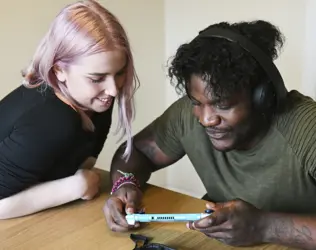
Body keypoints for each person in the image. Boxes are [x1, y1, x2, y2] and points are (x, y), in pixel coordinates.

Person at [104, 19, 316, 250]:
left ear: (262, 97)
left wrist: (264, 226)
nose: (207, 119)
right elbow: (137, 152)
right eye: (197, 102)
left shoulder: (308, 128)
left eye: (223, 105)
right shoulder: (188, 114)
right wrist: (126, 186)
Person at [0, 0, 138, 219]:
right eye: (97, 78)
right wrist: (75, 187)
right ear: (59, 70)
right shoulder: (53, 120)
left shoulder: (96, 100)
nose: (113, 90)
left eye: (119, 73)